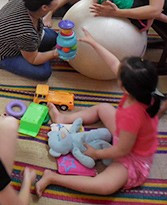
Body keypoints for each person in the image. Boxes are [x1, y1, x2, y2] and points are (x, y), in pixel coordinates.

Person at [36, 28, 160, 197]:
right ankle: (63, 117)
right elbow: (114, 64)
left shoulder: (134, 116)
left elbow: (121, 150)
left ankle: (53, 178)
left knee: (104, 186)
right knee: (103, 108)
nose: (117, 73)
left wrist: (96, 153)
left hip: (130, 155)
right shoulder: (142, 92)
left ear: (126, 88)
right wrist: (94, 43)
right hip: (123, 135)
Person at [0, 0, 60, 80]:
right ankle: (27, 50)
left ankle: (29, 49)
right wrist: (55, 53)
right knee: (44, 72)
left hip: (3, 33)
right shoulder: (26, 31)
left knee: (53, 37)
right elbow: (34, 59)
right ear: (44, 7)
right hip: (0, 53)